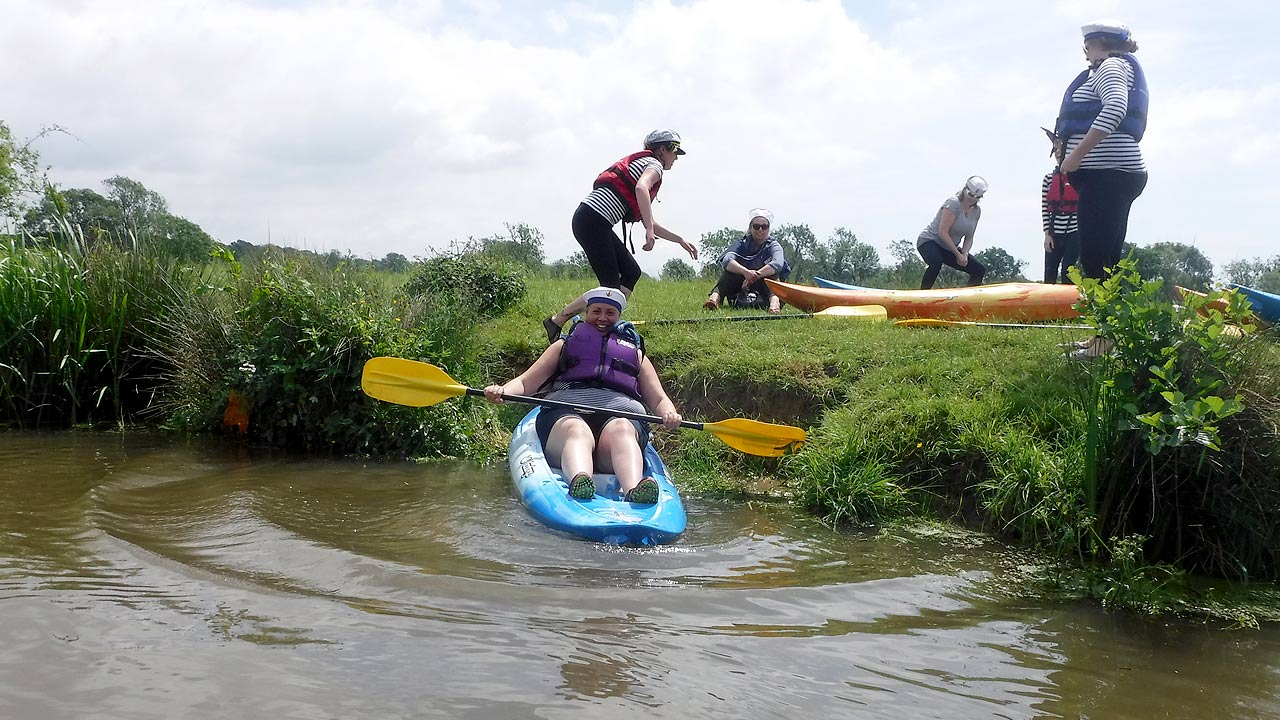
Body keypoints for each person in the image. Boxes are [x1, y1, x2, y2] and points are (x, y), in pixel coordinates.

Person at [487, 286, 683, 504]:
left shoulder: (635, 354)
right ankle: (580, 481)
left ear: (619, 317)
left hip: (619, 423)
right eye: (596, 311)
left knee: (623, 429)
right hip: (565, 418)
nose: (602, 318)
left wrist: (669, 413)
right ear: (587, 313)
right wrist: (503, 391)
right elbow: (525, 383)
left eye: (610, 313)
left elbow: (658, 398)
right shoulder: (564, 345)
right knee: (577, 429)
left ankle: (634, 489)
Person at [542, 130, 699, 343]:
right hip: (593, 220)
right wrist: (649, 233)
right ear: (663, 150)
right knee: (609, 285)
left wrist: (679, 239)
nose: (676, 158)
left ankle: (608, 323)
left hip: (592, 220)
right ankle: (561, 321)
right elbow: (641, 188)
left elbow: (648, 219)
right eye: (675, 152)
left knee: (631, 272)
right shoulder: (655, 165)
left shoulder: (646, 163)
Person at [1055, 19, 1149, 358]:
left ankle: (1104, 343)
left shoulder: (1111, 66)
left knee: (1095, 259)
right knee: (1105, 259)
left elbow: (1115, 109)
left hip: (1109, 175)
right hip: (1115, 175)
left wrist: (1075, 157)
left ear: (1098, 43)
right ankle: (1102, 338)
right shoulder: (1117, 66)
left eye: (1087, 48)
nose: (1085, 55)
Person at [703, 208, 790, 313]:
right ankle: (714, 299)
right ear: (751, 227)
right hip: (741, 281)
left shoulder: (773, 245)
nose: (760, 230)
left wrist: (754, 276)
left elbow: (777, 264)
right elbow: (727, 260)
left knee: (773, 277)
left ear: (768, 228)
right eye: (756, 226)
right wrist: (746, 272)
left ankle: (775, 304)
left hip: (763, 281)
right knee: (728, 274)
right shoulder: (741, 243)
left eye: (764, 227)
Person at [916, 176, 988, 289]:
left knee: (979, 269)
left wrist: (964, 254)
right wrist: (957, 255)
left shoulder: (976, 211)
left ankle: (968, 301)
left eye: (977, 197)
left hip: (949, 248)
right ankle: (922, 296)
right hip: (930, 241)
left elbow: (969, 237)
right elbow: (942, 232)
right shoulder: (953, 203)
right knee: (936, 262)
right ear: (965, 189)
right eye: (971, 195)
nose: (973, 198)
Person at [1041, 129, 1080, 284]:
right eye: (1055, 149)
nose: (1058, 152)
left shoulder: (1079, 177)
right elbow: (1045, 209)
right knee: (1049, 272)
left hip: (1074, 231)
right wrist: (1047, 234)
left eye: (1061, 149)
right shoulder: (1048, 179)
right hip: (1054, 231)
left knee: (1068, 272)